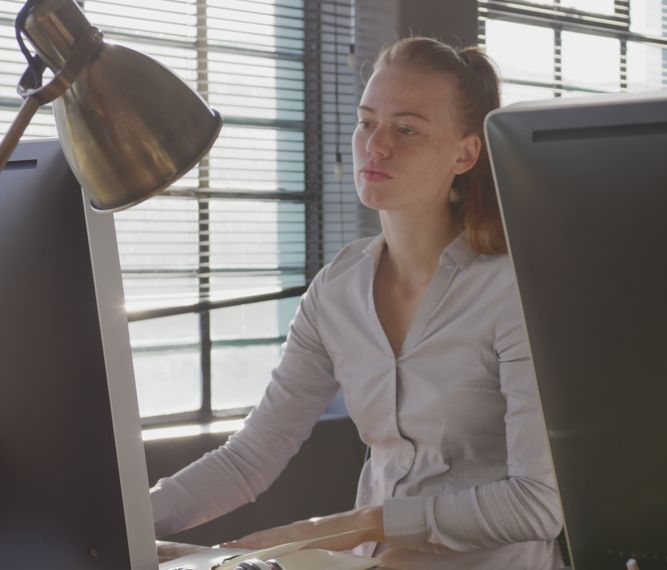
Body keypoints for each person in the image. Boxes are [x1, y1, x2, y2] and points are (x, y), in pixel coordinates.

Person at [149, 37, 565, 569]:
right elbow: (251, 457)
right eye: (368, 122)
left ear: (465, 153)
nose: (377, 145)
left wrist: (357, 524)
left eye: (407, 129)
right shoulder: (336, 291)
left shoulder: (510, 290)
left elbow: (537, 503)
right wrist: (113, 523)